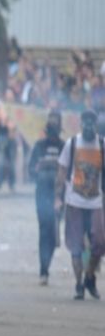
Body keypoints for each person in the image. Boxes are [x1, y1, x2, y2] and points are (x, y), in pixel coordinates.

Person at [55, 109, 105, 300]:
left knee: (99, 244)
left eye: (92, 122)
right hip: (74, 201)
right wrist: (58, 198)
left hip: (96, 202)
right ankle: (79, 285)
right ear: (81, 124)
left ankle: (89, 277)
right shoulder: (72, 143)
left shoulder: (102, 144)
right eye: (86, 122)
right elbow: (61, 171)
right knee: (75, 245)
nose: (89, 126)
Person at [29, 111, 64, 286]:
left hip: (59, 196)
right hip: (42, 194)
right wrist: (40, 173)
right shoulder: (39, 146)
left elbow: (70, 172)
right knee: (45, 231)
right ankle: (44, 269)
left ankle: (46, 265)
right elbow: (30, 171)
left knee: (53, 232)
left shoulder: (65, 147)